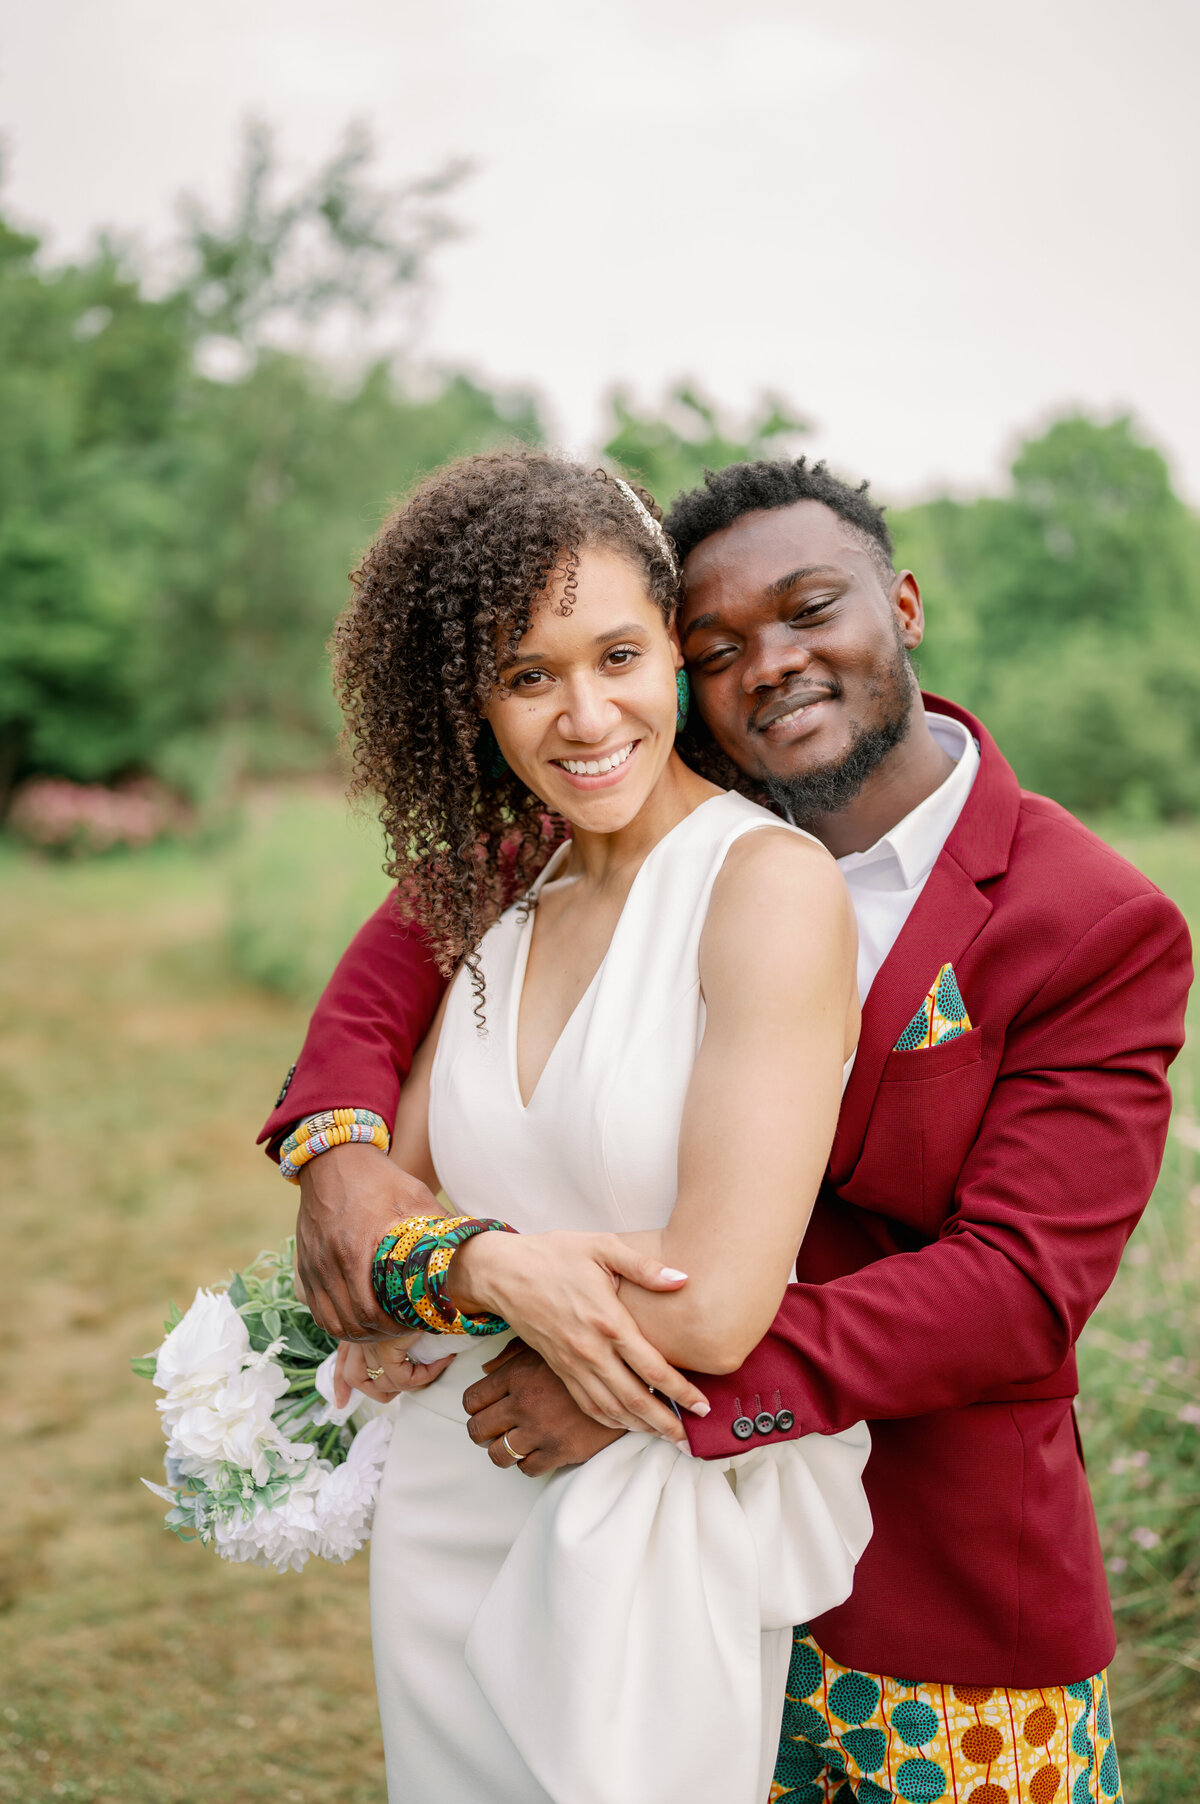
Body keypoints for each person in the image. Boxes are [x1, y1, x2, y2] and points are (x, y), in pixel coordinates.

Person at [263, 457, 1193, 1804]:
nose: (774, 663)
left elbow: (1019, 1289)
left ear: (907, 604)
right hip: (608, 1552)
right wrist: (339, 1153)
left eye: (815, 609)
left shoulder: (1092, 919)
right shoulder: (607, 811)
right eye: (717, 646)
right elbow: (398, 964)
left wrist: (635, 1384)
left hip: (929, 1585)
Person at [303, 449, 872, 1804]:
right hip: (448, 1500)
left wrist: (453, 1267)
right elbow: (397, 1196)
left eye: (616, 654)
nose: (584, 714)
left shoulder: (764, 891)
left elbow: (721, 1300)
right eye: (526, 675)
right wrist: (470, 1264)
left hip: (636, 1515)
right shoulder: (508, 907)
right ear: (475, 706)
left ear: (673, 650)